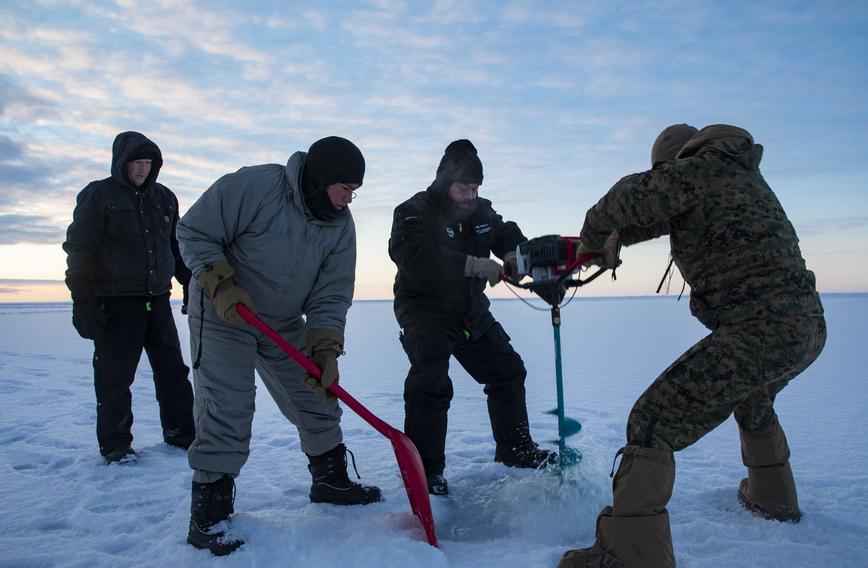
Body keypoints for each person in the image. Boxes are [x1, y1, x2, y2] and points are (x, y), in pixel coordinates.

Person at [558, 124, 826, 568]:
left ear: (670, 164)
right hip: (806, 326)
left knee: (652, 422)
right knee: (753, 400)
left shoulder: (698, 170)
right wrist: (610, 243)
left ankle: (630, 555)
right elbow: (656, 216)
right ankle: (773, 497)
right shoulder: (733, 173)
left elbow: (622, 200)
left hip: (760, 328)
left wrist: (593, 237)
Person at [176, 136, 382, 556]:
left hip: (283, 320)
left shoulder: (340, 226)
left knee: (317, 394)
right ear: (319, 180)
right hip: (223, 311)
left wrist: (325, 347)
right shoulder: (257, 187)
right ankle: (209, 515)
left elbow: (331, 293)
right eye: (344, 189)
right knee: (228, 406)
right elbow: (194, 231)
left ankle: (329, 480)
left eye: (354, 192)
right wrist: (220, 282)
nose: (348, 200)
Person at [388, 139, 556, 497]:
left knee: (508, 371)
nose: (469, 195)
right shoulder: (414, 211)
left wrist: (516, 254)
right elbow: (417, 258)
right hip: (424, 310)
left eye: (475, 187)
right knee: (430, 384)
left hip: (468, 310)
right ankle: (426, 472)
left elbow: (504, 231)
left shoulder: (480, 212)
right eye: (463, 187)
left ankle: (515, 449)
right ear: (444, 181)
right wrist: (474, 265)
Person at [62, 131, 195, 465]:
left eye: (149, 163)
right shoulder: (99, 195)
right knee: (115, 379)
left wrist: (191, 283)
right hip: (116, 302)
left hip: (157, 300)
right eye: (137, 162)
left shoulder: (164, 198)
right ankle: (116, 446)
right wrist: (83, 301)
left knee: (173, 373)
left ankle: (182, 433)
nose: (143, 169)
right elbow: (80, 249)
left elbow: (175, 248)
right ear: (121, 162)